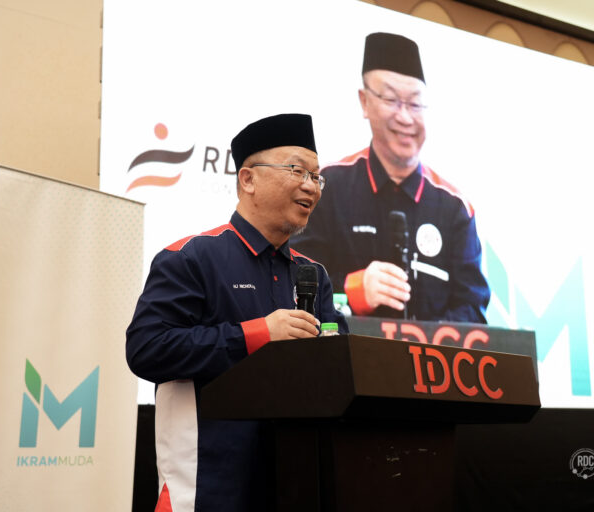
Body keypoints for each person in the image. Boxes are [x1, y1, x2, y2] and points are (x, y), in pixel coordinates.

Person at [126, 113, 348, 512]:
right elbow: (147, 348)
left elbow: (338, 366)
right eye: (297, 170)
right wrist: (258, 334)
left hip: (294, 484)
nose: (310, 186)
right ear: (248, 180)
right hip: (207, 487)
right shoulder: (191, 258)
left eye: (317, 177)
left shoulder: (312, 275)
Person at [292, 32, 490, 323]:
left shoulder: (455, 208)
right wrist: (352, 291)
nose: (405, 118)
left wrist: (426, 338)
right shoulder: (326, 187)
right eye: (391, 100)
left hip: (424, 354)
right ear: (364, 102)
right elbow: (292, 286)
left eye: (415, 104)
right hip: (341, 351)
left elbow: (473, 310)